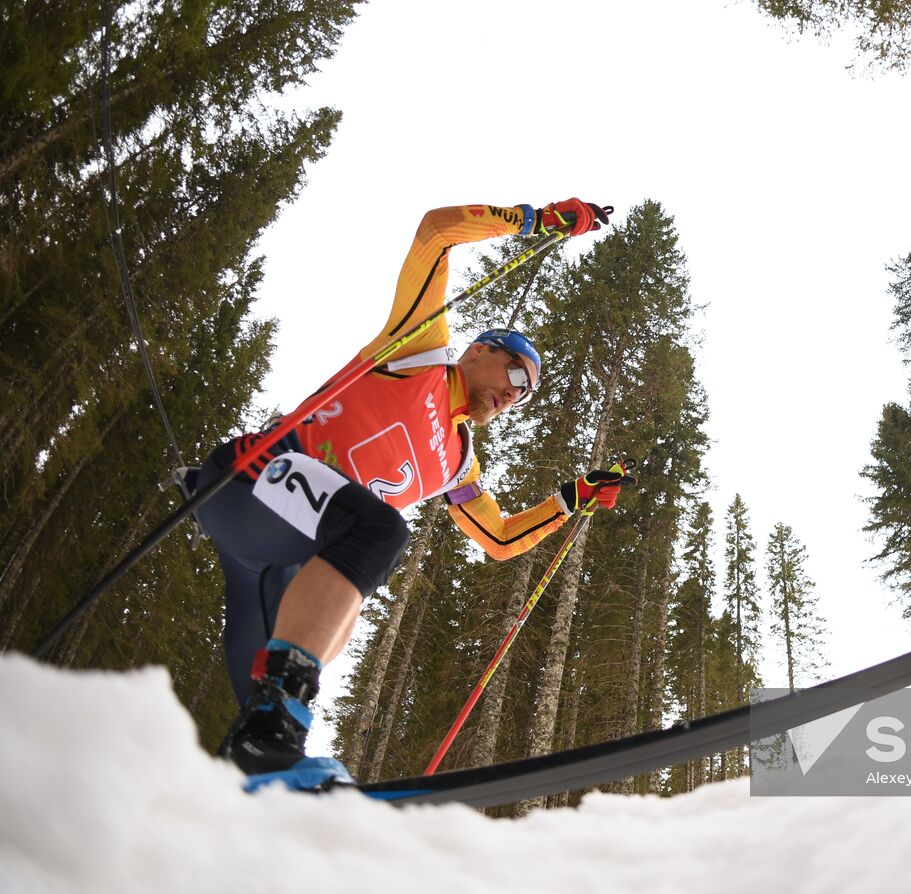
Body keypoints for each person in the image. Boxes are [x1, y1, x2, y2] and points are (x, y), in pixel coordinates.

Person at [189, 198, 633, 786]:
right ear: (478, 350)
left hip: (279, 564)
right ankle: (276, 720)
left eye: (526, 395)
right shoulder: (418, 350)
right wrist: (535, 220)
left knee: (266, 712)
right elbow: (436, 232)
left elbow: (498, 537)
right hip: (251, 482)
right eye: (517, 374)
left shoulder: (458, 462)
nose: (515, 394)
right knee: (378, 530)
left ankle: (262, 781)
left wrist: (569, 500)